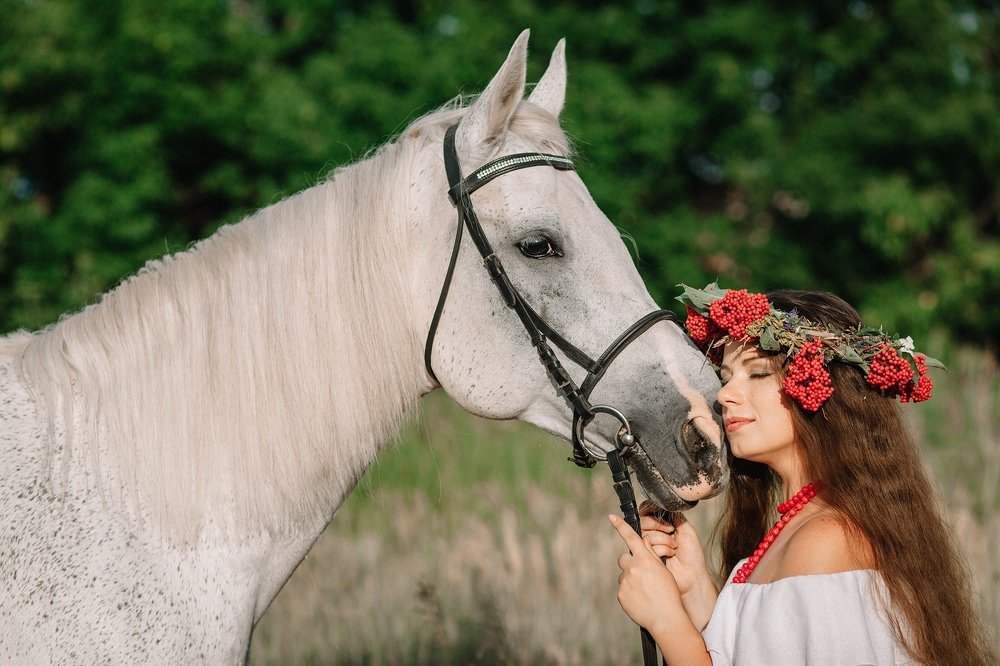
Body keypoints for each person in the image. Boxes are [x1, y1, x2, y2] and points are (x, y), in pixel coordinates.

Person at [609, 284, 995, 665]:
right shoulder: (807, 526)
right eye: (726, 378)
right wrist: (695, 590)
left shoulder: (827, 541)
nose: (725, 395)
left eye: (757, 373)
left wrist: (667, 622)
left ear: (819, 386)